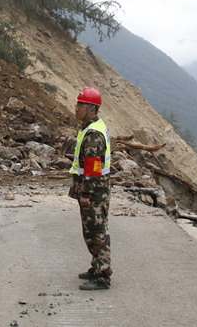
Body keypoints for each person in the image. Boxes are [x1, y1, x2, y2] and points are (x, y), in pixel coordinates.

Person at [68, 87, 112, 290]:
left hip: (94, 192)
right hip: (95, 189)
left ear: (92, 109)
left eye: (80, 105)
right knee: (91, 231)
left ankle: (102, 276)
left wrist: (86, 193)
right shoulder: (90, 128)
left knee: (97, 232)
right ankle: (96, 267)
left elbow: (93, 167)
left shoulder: (93, 134)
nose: (76, 108)